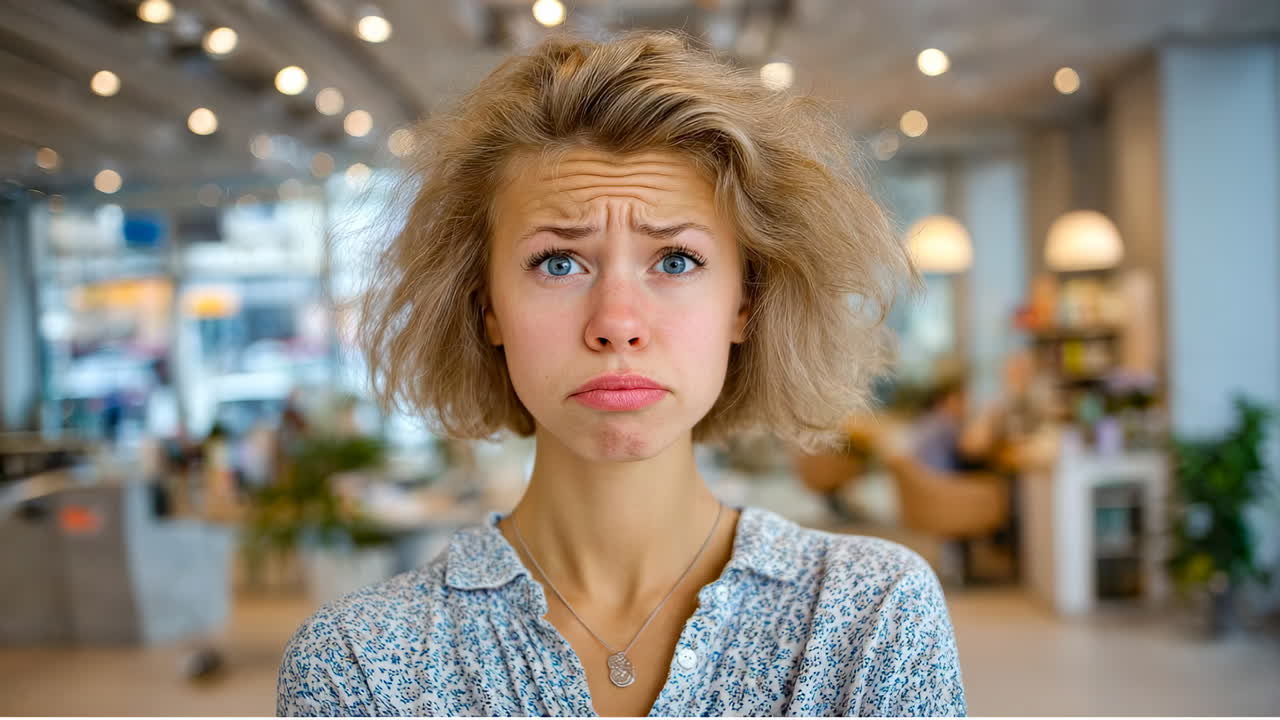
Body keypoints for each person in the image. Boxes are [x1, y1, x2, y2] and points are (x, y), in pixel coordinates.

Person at [277, 31, 965, 717]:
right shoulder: (360, 665)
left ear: (746, 303)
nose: (617, 323)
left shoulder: (869, 618)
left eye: (674, 261)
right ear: (486, 307)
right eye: (558, 263)